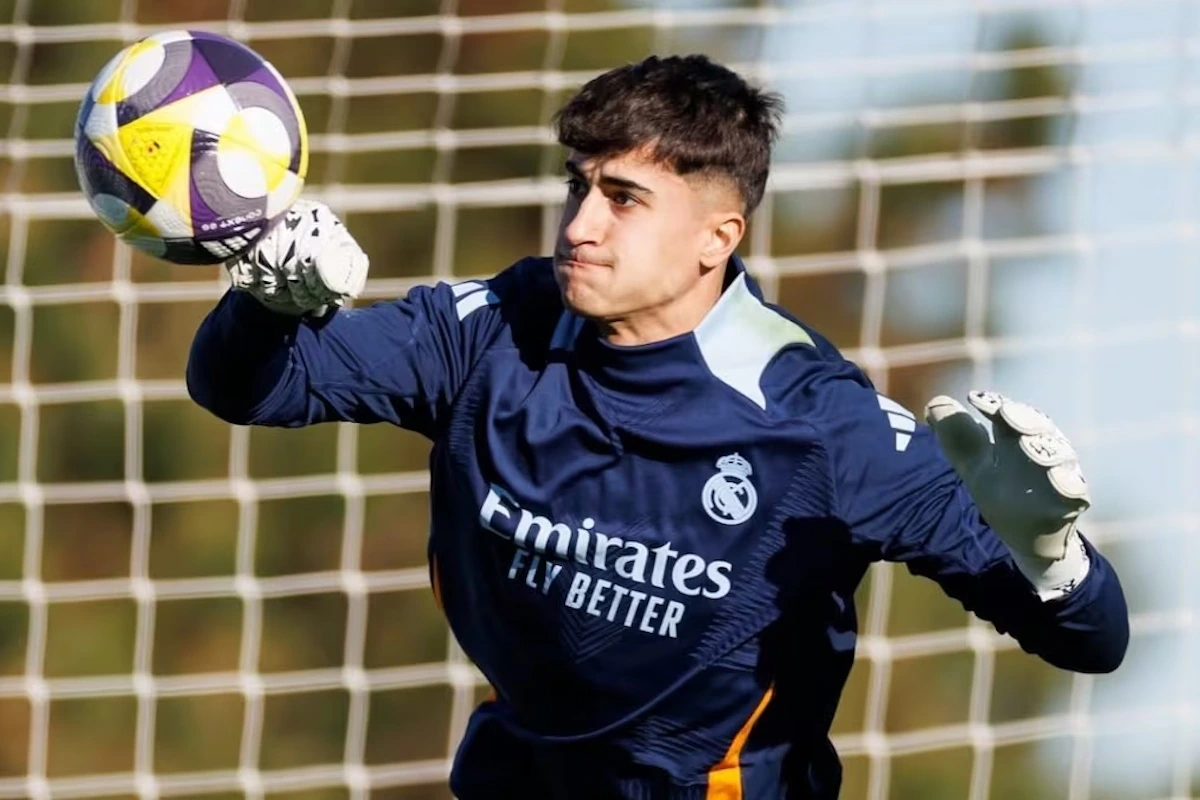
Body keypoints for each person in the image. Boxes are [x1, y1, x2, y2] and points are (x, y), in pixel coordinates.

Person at [187, 54, 1128, 800]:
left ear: (720, 237)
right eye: (579, 187)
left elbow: (1094, 642)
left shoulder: (822, 424)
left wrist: (1052, 560)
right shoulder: (495, 330)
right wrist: (264, 307)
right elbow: (249, 388)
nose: (579, 225)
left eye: (625, 198)